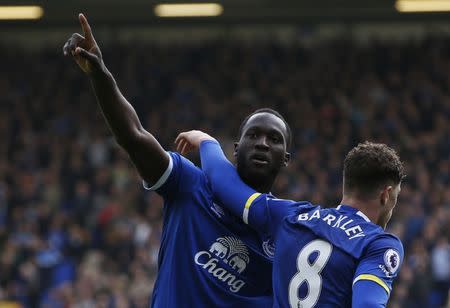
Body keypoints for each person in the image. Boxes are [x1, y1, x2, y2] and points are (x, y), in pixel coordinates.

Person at [63, 14, 292, 307]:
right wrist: (101, 75)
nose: (262, 143)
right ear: (235, 148)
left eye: (273, 139)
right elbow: (133, 136)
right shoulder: (190, 183)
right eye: (254, 135)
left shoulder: (285, 230)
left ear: (285, 159)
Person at [175, 130, 406, 307]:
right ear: (385, 195)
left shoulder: (294, 216)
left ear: (347, 184)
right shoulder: (378, 244)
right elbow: (367, 304)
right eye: (395, 197)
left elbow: (225, 185)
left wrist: (207, 142)